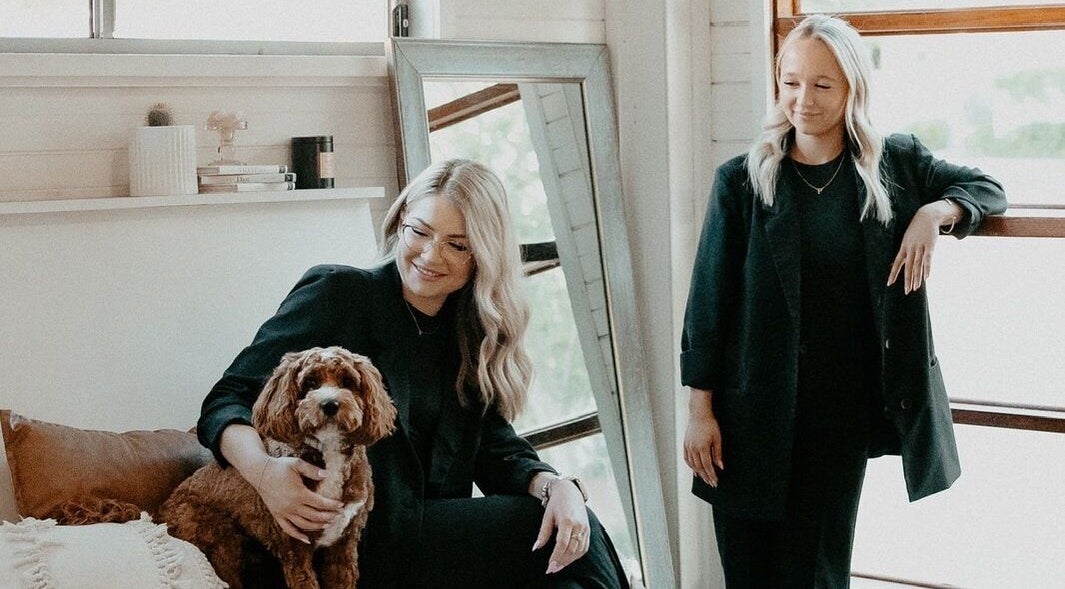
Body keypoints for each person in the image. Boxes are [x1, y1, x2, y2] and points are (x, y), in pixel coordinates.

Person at [680, 14, 1006, 589]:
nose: (802, 99)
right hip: (747, 416)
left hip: (838, 422)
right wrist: (699, 412)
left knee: (819, 577)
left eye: (822, 85)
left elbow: (986, 189)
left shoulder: (894, 165)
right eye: (791, 82)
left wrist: (936, 214)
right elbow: (708, 305)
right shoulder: (741, 181)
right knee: (748, 575)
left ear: (853, 87)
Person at [198, 158, 630, 589]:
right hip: (347, 540)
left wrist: (558, 487)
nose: (429, 255)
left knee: (566, 537)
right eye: (420, 232)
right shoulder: (339, 295)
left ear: (483, 254)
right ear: (402, 219)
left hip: (425, 543)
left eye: (456, 245)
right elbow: (226, 398)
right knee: (551, 533)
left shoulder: (467, 336)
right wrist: (265, 475)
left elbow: (499, 456)